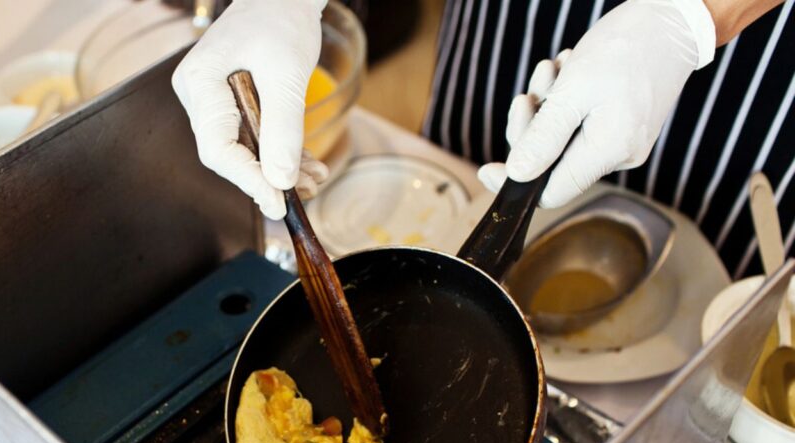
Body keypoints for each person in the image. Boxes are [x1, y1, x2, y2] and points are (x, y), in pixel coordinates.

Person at [172, 0, 792, 277]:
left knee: (723, 318)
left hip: (748, 68)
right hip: (526, 15)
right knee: (464, 181)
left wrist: (692, 19)